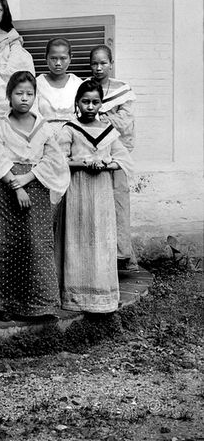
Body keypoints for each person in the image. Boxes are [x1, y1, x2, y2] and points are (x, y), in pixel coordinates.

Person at [0, 71, 70, 320]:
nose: (24, 98)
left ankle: (38, 305)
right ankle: (1, 304)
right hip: (5, 191)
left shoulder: (43, 128)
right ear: (9, 95)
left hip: (36, 189)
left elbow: (54, 160)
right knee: (2, 244)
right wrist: (15, 185)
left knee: (36, 245)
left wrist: (28, 178)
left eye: (29, 94)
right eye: (19, 93)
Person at [56, 80, 132, 313]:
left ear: (101, 104)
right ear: (77, 103)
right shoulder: (70, 129)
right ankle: (76, 296)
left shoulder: (109, 132)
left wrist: (106, 164)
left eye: (95, 102)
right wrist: (84, 163)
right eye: (85, 101)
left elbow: (123, 159)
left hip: (101, 195)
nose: (90, 106)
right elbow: (58, 160)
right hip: (77, 191)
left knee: (100, 238)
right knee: (77, 237)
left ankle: (102, 297)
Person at [89, 44, 138, 271]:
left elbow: (125, 123)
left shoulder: (122, 89)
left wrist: (101, 117)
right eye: (94, 64)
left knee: (118, 201)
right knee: (94, 204)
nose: (99, 68)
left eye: (103, 63)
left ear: (111, 63)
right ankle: (98, 257)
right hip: (92, 153)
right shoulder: (87, 88)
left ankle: (122, 256)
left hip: (117, 153)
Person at [35, 37, 83, 135]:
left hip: (75, 135)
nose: (58, 63)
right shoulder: (36, 84)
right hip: (43, 135)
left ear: (70, 58)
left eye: (63, 58)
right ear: (46, 58)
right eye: (53, 58)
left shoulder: (78, 84)